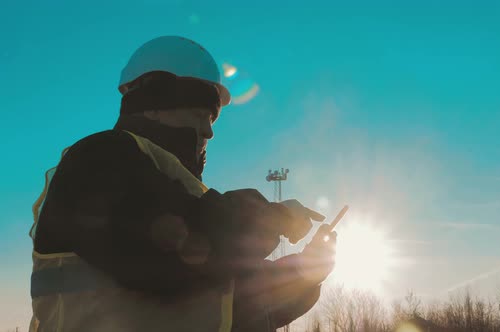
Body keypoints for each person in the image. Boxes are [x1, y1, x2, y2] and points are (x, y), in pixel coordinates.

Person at [28, 35, 337, 332]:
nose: (209, 132)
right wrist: (272, 217)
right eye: (200, 115)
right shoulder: (98, 158)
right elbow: (182, 246)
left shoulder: (177, 187)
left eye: (213, 120)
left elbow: (244, 298)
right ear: (152, 104)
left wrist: (306, 271)